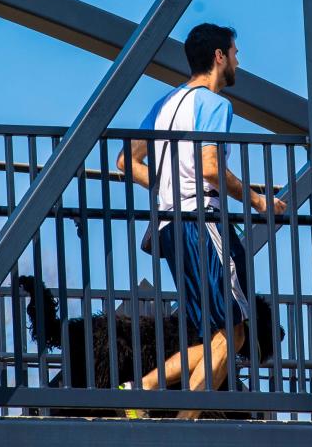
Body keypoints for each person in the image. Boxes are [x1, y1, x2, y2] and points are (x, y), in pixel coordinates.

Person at [116, 23, 285, 419]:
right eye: (235, 52)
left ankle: (139, 392)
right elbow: (211, 168)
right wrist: (259, 200)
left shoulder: (165, 105)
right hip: (202, 222)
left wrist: (166, 187)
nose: (238, 61)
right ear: (219, 56)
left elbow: (127, 161)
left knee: (222, 335)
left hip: (169, 227)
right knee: (235, 331)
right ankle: (185, 421)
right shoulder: (214, 105)